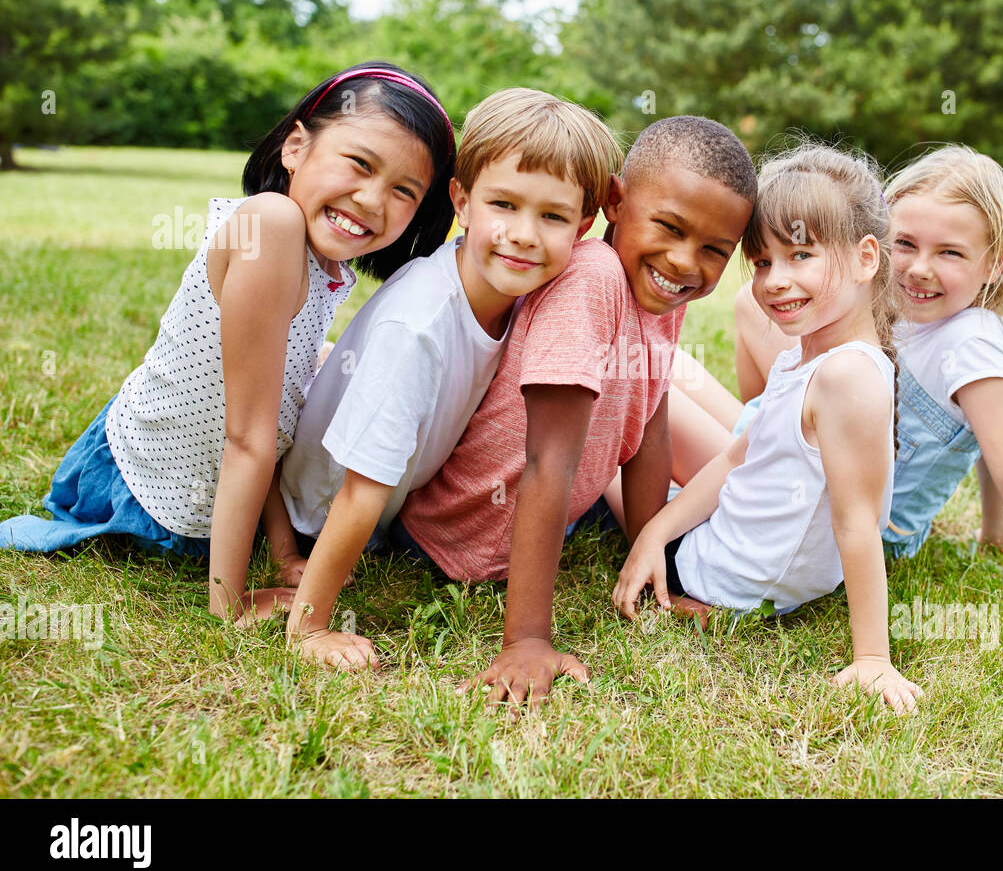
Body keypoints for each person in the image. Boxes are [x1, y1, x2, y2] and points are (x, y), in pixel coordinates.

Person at [664, 144, 1003, 723]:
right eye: (906, 244)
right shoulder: (889, 302)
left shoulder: (971, 348)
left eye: (949, 252)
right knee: (721, 324)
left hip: (837, 504)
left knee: (652, 391)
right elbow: (988, 455)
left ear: (993, 264)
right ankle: (749, 424)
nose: (919, 268)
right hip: (794, 445)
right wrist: (994, 534)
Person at [0, 62, 456, 626]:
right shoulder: (269, 224)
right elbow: (248, 440)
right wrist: (231, 605)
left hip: (219, 491)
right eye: (359, 163)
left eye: (403, 190)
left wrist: (285, 552)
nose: (370, 198)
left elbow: (275, 419)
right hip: (148, 485)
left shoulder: (323, 266)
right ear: (295, 147)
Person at [392, 116, 756, 704]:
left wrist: (651, 563)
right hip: (467, 538)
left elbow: (648, 432)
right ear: (615, 199)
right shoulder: (593, 278)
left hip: (559, 509)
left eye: (715, 250)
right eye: (669, 227)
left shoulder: (659, 286)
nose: (686, 262)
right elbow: (546, 463)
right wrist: (527, 640)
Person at [277, 88, 622, 670]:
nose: (524, 234)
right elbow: (362, 490)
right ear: (462, 200)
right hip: (326, 515)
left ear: (584, 226)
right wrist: (310, 628)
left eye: (553, 216)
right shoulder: (420, 326)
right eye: (504, 205)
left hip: (388, 498)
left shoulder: (511, 288)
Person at [611, 142, 923, 715]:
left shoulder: (846, 374)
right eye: (761, 262)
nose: (775, 280)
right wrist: (652, 533)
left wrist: (873, 659)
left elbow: (859, 523)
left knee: (612, 432)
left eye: (800, 255)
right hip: (728, 555)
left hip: (717, 580)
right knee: (662, 381)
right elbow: (735, 461)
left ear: (866, 258)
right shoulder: (808, 358)